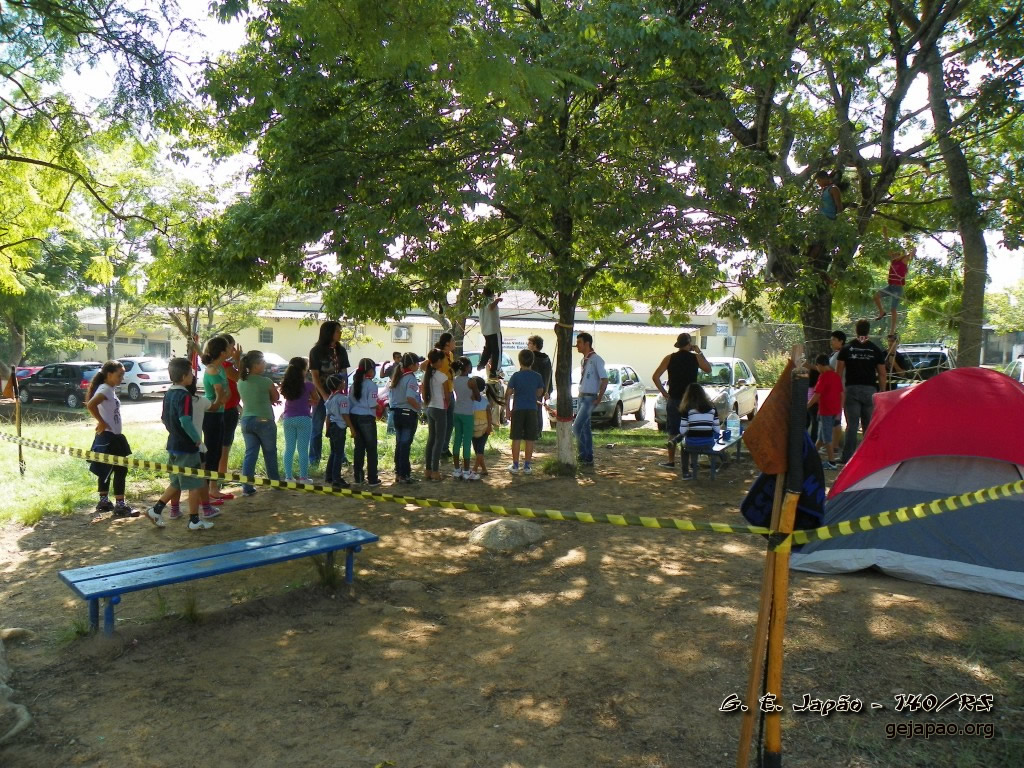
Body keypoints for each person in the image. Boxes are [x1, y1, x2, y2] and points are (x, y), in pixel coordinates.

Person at [145, 358, 212, 530]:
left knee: (176, 482)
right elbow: (185, 420)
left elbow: (164, 418)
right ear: (183, 376)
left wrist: (174, 432)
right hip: (187, 447)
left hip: (173, 444)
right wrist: (196, 439)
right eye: (190, 373)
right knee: (194, 483)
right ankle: (194, 520)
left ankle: (156, 510)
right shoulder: (185, 396)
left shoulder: (168, 393)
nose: (193, 376)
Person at [652, 333, 712, 469]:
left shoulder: (669, 358)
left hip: (674, 398)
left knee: (673, 431)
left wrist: (665, 393)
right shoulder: (695, 357)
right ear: (689, 344)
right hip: (691, 400)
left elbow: (655, 377)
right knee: (691, 429)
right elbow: (708, 369)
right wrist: (699, 352)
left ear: (678, 345)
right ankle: (691, 462)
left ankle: (671, 461)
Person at [85, 361, 136, 518]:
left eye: (123, 375)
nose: (122, 378)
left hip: (111, 436)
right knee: (120, 469)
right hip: (109, 437)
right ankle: (120, 505)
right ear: (109, 374)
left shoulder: (108, 389)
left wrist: (102, 421)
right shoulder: (105, 389)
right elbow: (91, 404)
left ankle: (104, 501)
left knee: (105, 470)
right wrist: (101, 421)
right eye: (119, 375)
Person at [835, 319, 887, 464]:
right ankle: (869, 456)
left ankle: (847, 457)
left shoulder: (847, 348)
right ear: (868, 330)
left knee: (852, 425)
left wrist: (839, 391)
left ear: (855, 330)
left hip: (852, 389)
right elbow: (882, 374)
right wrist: (882, 391)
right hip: (870, 390)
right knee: (868, 425)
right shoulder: (875, 349)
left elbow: (838, 373)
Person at [237, 350, 282, 497]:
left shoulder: (241, 381)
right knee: (270, 452)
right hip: (264, 420)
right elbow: (276, 397)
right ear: (255, 365)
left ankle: (247, 487)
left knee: (250, 454)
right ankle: (275, 482)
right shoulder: (266, 381)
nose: (264, 364)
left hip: (246, 420)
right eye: (262, 362)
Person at [309, 321, 351, 467]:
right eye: (337, 331)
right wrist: (324, 396)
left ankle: (340, 456)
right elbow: (315, 377)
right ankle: (314, 459)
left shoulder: (341, 350)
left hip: (338, 395)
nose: (340, 333)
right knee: (317, 426)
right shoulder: (316, 351)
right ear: (329, 333)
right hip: (321, 395)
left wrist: (344, 392)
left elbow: (344, 373)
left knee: (339, 425)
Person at [200, 337, 231, 505]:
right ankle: (203, 494)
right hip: (212, 414)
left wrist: (224, 398)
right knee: (211, 454)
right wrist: (221, 399)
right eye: (228, 348)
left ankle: (213, 489)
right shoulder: (212, 369)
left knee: (217, 452)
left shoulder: (220, 368)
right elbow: (220, 394)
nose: (231, 350)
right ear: (222, 352)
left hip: (219, 413)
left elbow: (227, 394)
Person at [505, 349, 545, 474]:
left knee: (516, 438)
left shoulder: (516, 376)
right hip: (532, 410)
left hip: (518, 409)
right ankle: (527, 466)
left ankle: (515, 465)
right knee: (530, 438)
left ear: (519, 361)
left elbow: (508, 393)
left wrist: (507, 409)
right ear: (532, 361)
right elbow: (540, 392)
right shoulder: (537, 376)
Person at [212, 334, 242, 501]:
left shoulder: (220, 365)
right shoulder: (224, 365)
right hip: (226, 410)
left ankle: (219, 479)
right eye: (232, 346)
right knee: (224, 446)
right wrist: (238, 360)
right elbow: (240, 378)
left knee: (223, 445)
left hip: (229, 408)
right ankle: (219, 480)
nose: (234, 349)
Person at [280, 356, 318, 483]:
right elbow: (316, 400)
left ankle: (288, 477)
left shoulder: (286, 385)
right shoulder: (308, 385)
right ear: (303, 370)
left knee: (289, 448)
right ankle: (303, 477)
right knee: (303, 449)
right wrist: (308, 401)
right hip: (304, 419)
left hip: (288, 419)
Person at [573, 332, 608, 468]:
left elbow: (604, 379)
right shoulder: (584, 360)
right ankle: (588, 456)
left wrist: (599, 397)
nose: (577, 345)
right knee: (585, 427)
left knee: (577, 426)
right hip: (582, 396)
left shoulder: (596, 359)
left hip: (589, 397)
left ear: (587, 343)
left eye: (579, 342)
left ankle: (583, 454)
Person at [421, 332, 456, 457]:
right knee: (439, 424)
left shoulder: (450, 355)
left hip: (450, 389)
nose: (455, 343)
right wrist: (435, 375)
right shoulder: (439, 354)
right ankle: (437, 450)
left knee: (450, 422)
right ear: (447, 343)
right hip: (441, 392)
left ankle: (444, 448)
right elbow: (423, 366)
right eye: (453, 341)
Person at [389, 352, 422, 484]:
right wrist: (419, 407)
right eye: (417, 363)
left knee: (400, 443)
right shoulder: (410, 378)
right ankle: (404, 474)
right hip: (408, 414)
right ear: (412, 365)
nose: (418, 365)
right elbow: (409, 397)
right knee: (405, 445)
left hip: (397, 413)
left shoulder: (398, 377)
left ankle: (398, 473)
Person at [348, 357, 381, 487]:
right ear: (370, 370)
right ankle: (372, 479)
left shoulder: (354, 384)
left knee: (359, 448)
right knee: (371, 449)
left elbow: (350, 403)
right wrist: (379, 406)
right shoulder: (371, 385)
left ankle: (358, 478)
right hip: (367, 418)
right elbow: (372, 403)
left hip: (354, 417)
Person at [677, 382, 720, 480]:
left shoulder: (687, 409)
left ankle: (686, 473)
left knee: (683, 446)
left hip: (692, 444)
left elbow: (682, 431)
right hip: (708, 443)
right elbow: (717, 430)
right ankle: (700, 465)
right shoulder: (712, 408)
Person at [807, 354, 843, 470]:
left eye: (817, 366)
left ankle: (832, 461)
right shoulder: (836, 376)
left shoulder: (823, 377)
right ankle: (811, 457)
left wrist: (807, 406)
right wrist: (839, 409)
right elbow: (841, 393)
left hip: (826, 410)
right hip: (834, 410)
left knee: (827, 437)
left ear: (819, 365)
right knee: (821, 437)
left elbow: (817, 394)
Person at [421, 349, 449, 481]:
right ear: (437, 361)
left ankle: (428, 470)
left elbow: (423, 393)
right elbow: (447, 395)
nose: (443, 362)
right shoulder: (441, 376)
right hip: (439, 408)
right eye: (442, 360)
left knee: (431, 439)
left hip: (430, 407)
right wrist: (447, 405)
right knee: (439, 440)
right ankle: (435, 471)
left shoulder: (426, 375)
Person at [874, 246, 914, 336]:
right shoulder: (893, 261)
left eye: (897, 254)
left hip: (897, 288)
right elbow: (887, 246)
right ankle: (881, 312)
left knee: (893, 309)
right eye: (894, 254)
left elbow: (911, 255)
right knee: (876, 296)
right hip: (890, 286)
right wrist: (885, 237)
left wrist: (913, 250)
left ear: (900, 254)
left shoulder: (903, 260)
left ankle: (892, 330)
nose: (894, 255)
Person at [323, 375, 352, 490]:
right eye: (343, 382)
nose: (344, 383)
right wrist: (352, 428)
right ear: (339, 385)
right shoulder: (342, 398)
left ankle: (329, 476)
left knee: (334, 452)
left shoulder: (330, 399)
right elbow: (345, 415)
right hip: (339, 427)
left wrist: (327, 429)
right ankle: (336, 479)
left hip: (332, 427)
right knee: (339, 453)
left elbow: (328, 416)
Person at [451, 357, 477, 479]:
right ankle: (466, 471)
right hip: (467, 413)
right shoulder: (471, 381)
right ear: (466, 367)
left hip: (457, 411)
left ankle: (457, 469)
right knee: (466, 441)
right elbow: (477, 397)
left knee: (457, 439)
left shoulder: (455, 379)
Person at [528, 335, 553, 435]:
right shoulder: (546, 359)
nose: (528, 345)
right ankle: (538, 431)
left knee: (531, 411)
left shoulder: (530, 358)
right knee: (538, 410)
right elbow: (549, 374)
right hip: (543, 389)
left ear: (535, 345)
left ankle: (532, 432)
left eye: (530, 343)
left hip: (531, 389)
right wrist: (548, 390)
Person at [470, 376, 495, 478]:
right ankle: (484, 469)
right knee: (477, 450)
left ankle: (475, 469)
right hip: (473, 429)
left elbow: (489, 415)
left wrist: (489, 427)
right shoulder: (471, 400)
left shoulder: (484, 401)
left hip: (484, 429)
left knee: (480, 449)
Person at [477, 287, 503, 378]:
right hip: (493, 330)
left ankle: (482, 364)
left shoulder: (482, 302)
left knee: (488, 348)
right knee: (496, 351)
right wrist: (497, 301)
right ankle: (495, 370)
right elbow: (490, 307)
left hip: (485, 330)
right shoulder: (489, 301)